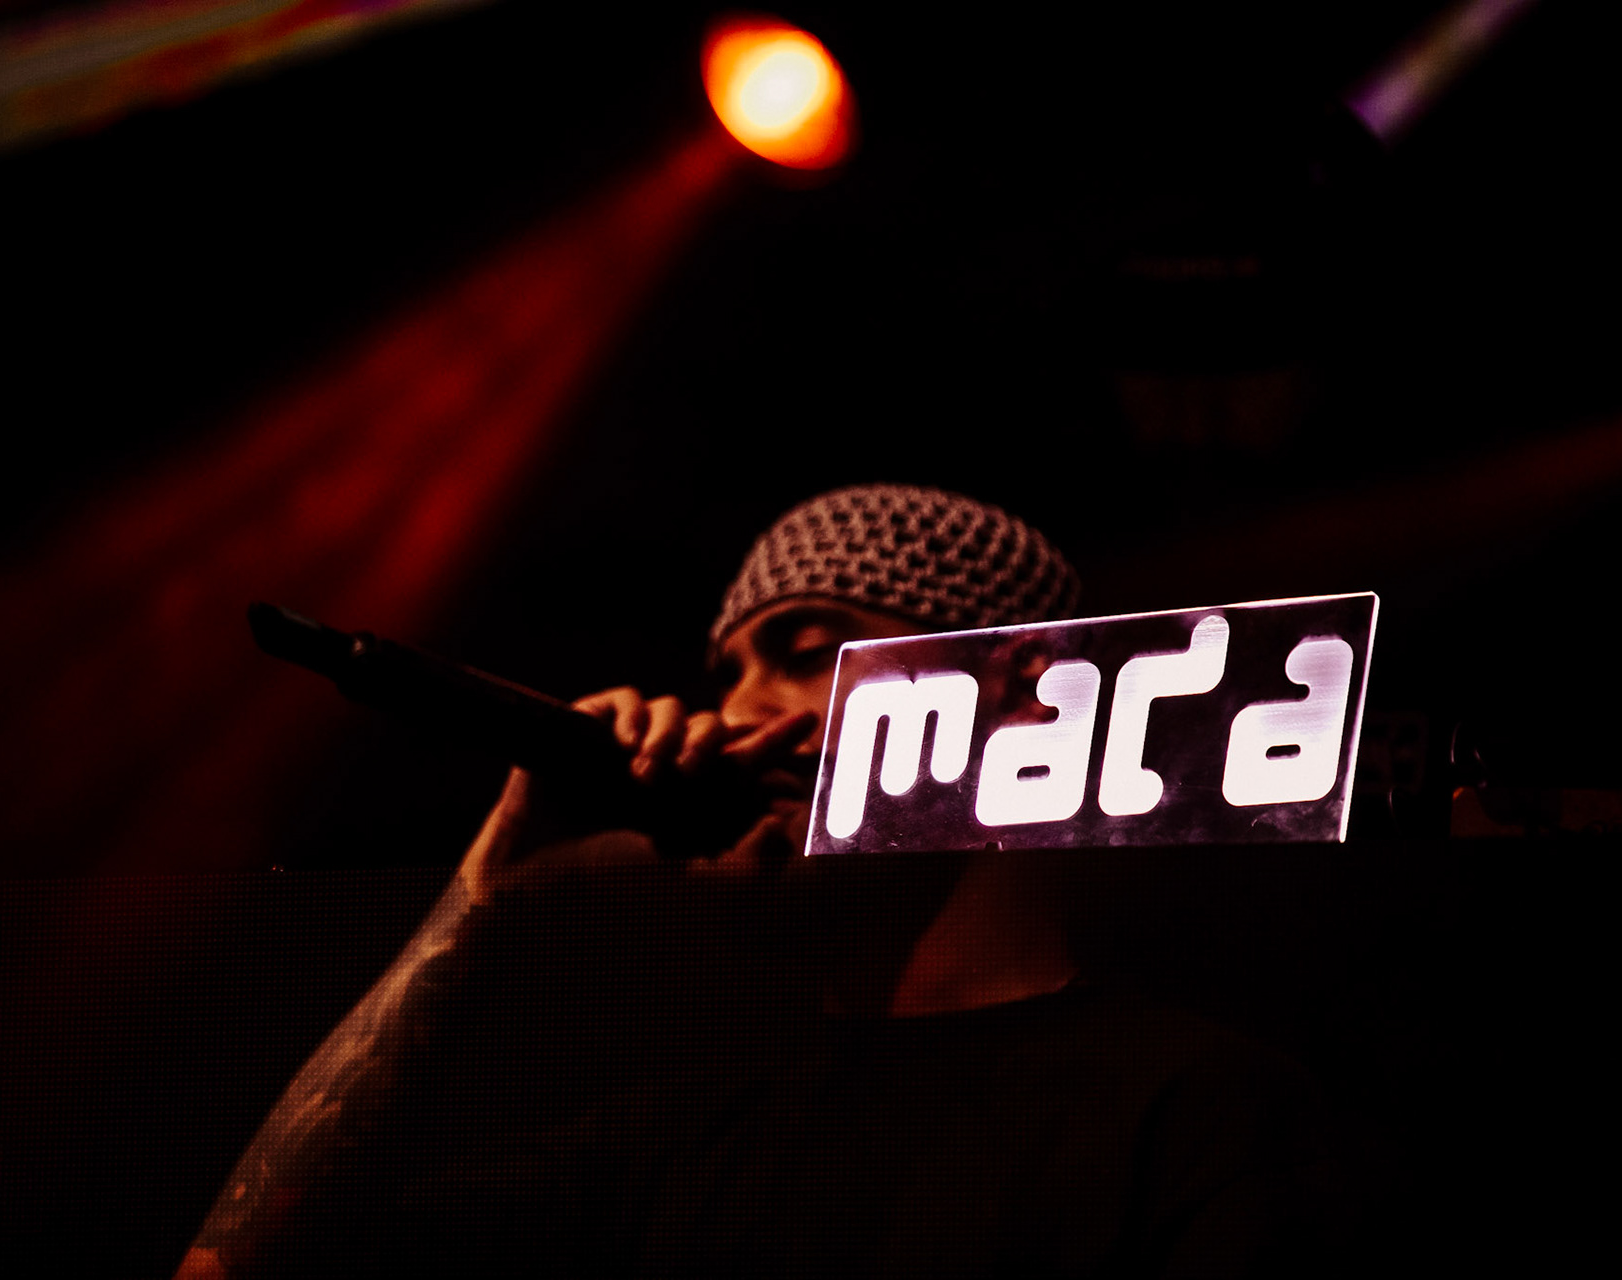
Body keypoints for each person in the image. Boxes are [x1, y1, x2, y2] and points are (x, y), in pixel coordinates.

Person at [178, 484, 1350, 1278]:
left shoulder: (1202, 1114)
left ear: (1026, 693)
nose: (734, 715)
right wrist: (490, 892)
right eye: (727, 671)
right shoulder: (657, 1152)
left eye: (803, 651)